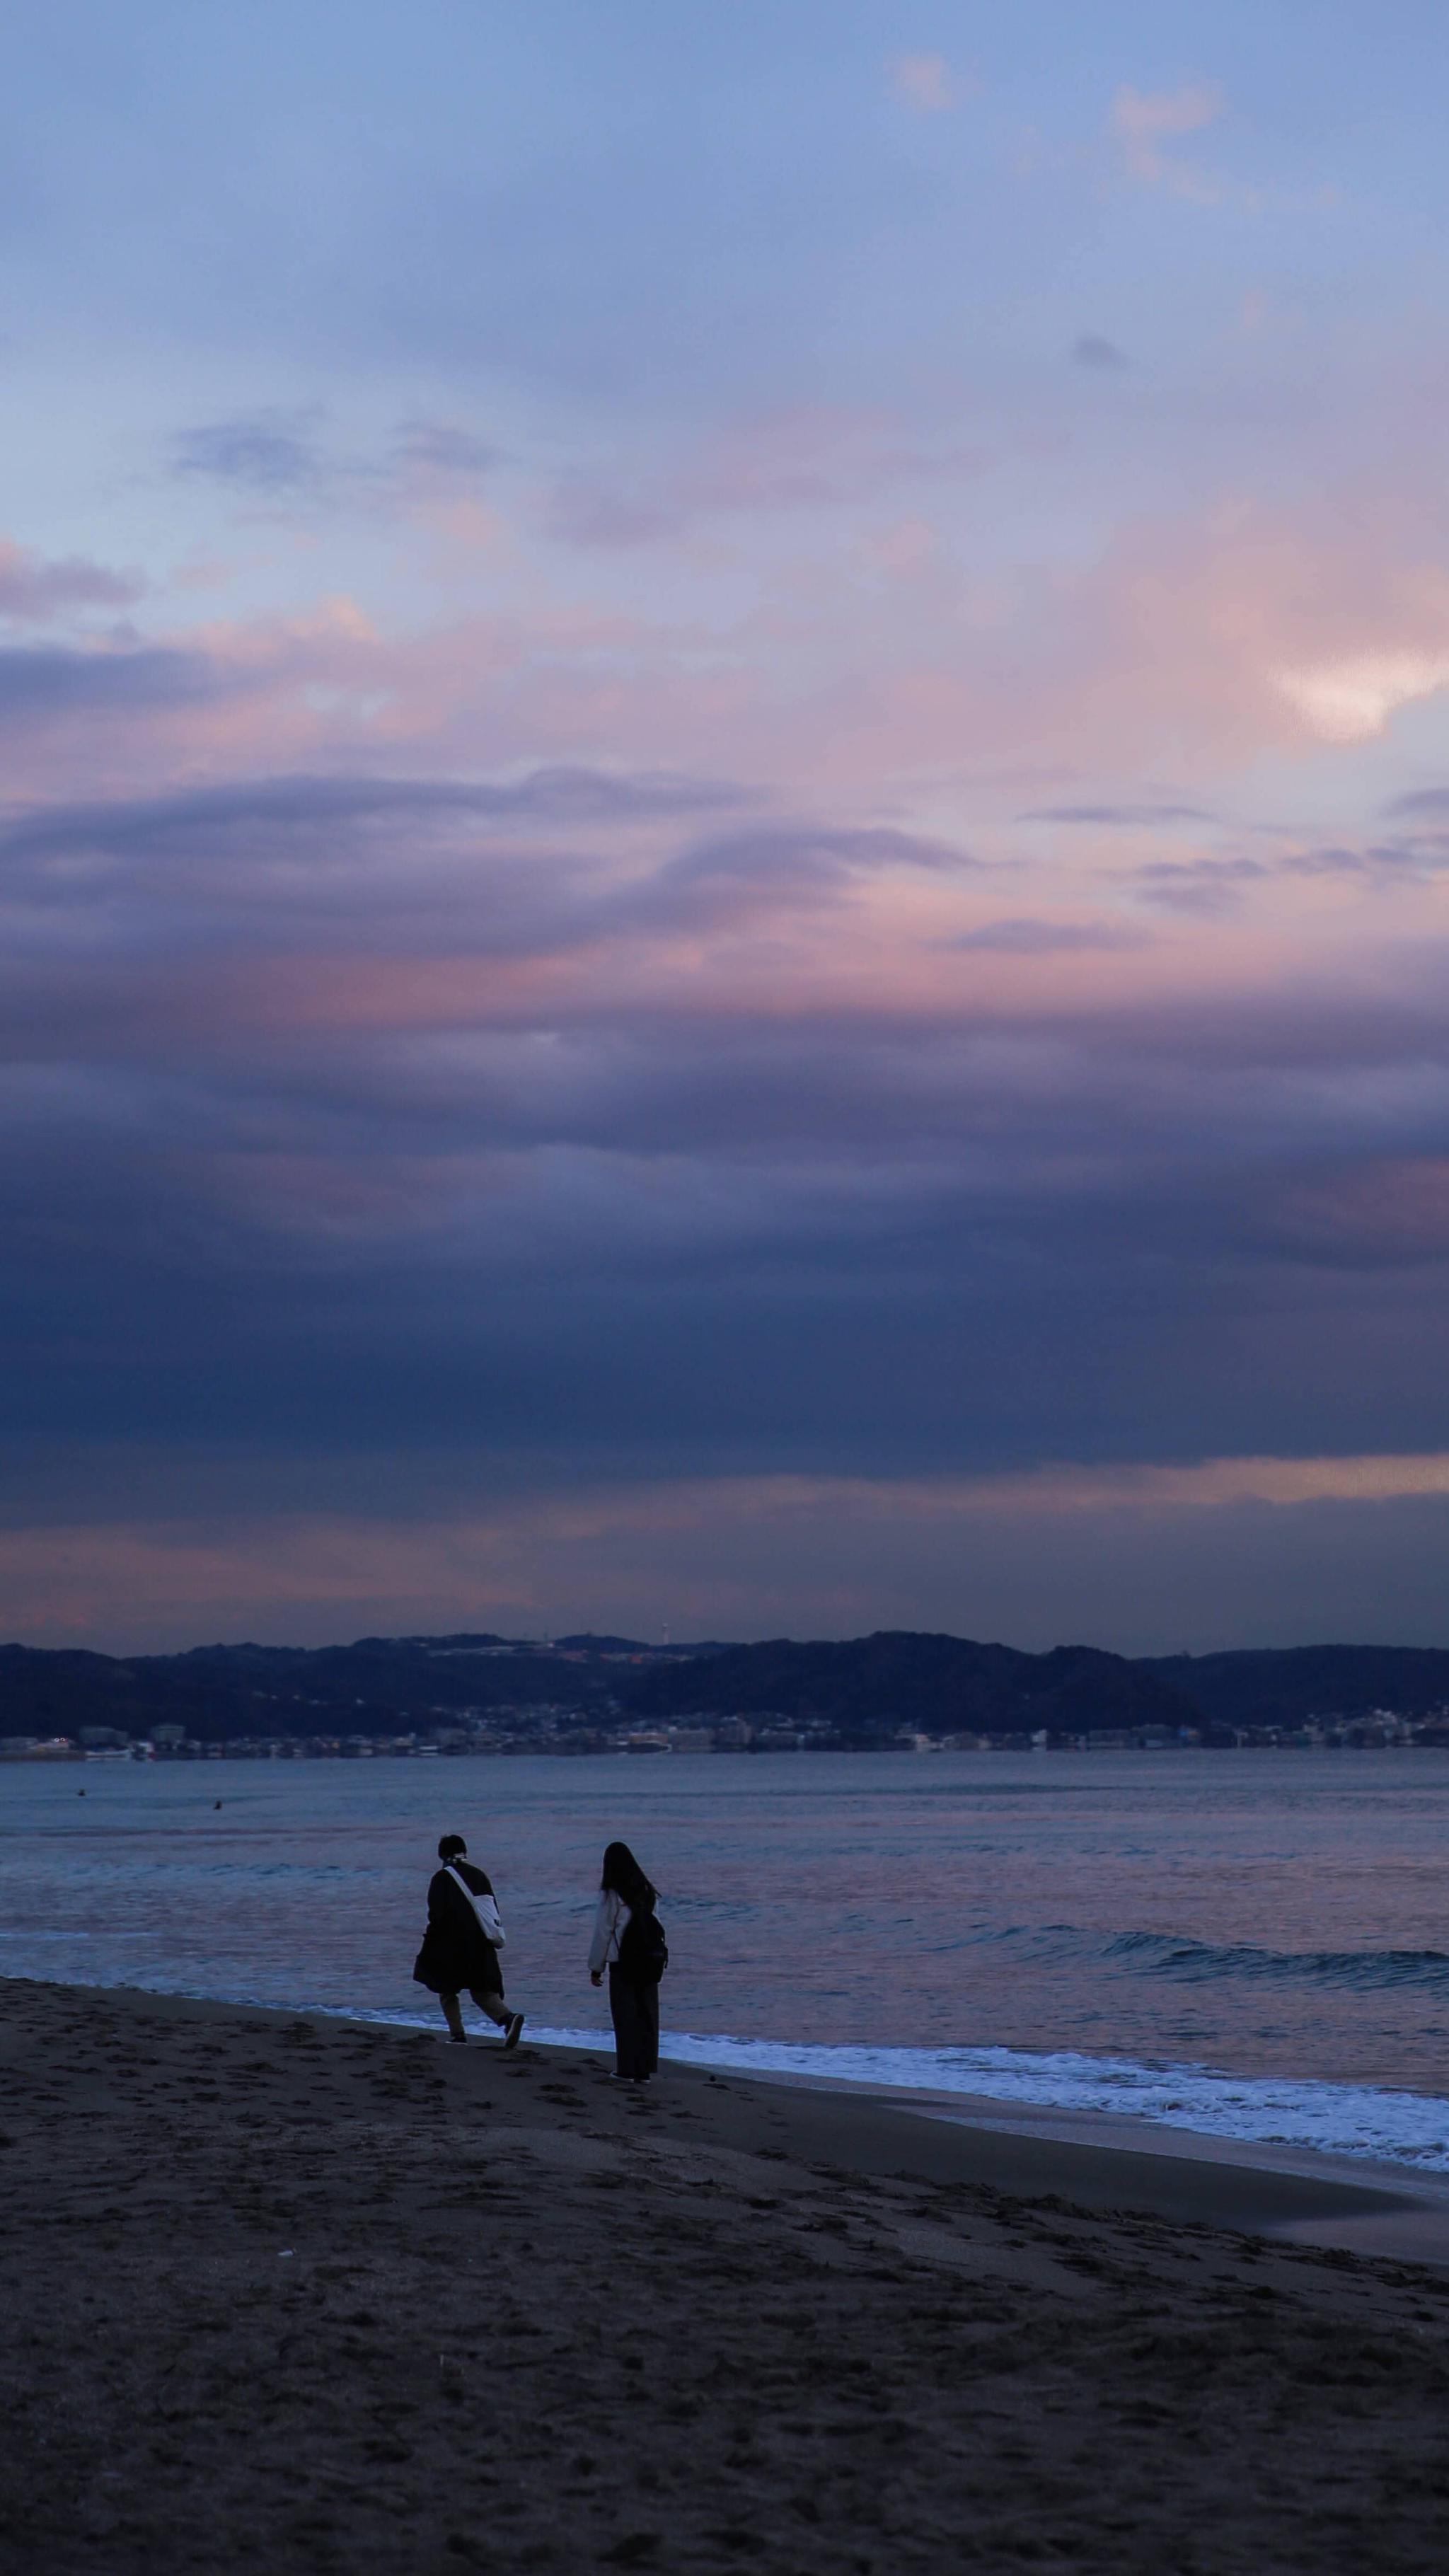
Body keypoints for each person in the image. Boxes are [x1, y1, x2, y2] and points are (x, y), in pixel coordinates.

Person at [413, 1834, 524, 2047]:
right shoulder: (479, 1875)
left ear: (442, 1854)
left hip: (451, 1944)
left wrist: (431, 1943)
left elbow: (436, 1916)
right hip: (481, 1943)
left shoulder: (441, 1878)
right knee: (482, 1991)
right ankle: (508, 2019)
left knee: (446, 1990)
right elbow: (491, 1910)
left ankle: (458, 2035)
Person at [588, 1839, 665, 2082]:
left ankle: (626, 2069)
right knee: (647, 2016)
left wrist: (595, 1967)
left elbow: (604, 1932)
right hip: (650, 1961)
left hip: (623, 1963)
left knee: (625, 2016)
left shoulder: (612, 1894)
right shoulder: (648, 1891)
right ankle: (644, 2071)